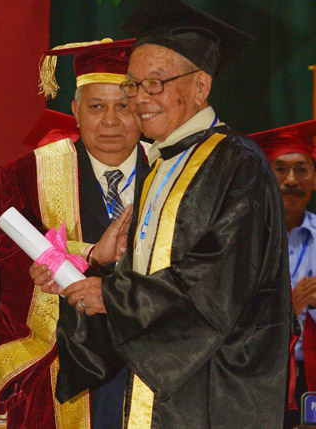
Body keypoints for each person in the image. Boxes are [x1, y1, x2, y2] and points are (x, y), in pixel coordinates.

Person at [32, 0, 291, 426]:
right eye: (133, 85)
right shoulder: (160, 169)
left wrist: (111, 296)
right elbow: (157, 282)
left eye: (155, 84)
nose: (139, 100)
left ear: (201, 87)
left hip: (215, 389)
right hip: (162, 393)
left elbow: (217, 283)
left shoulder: (237, 164)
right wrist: (95, 272)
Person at [0, 38, 148, 428]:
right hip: (59, 373)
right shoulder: (22, 177)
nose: (110, 120)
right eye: (96, 106)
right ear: (74, 110)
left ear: (141, 108)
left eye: (123, 106)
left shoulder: (173, 177)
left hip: (155, 368)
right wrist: (84, 256)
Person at [251, 120, 316, 428]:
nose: (292, 180)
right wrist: (288, 310)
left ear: (314, 179)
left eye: (302, 169)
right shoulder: (243, 237)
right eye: (280, 169)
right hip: (258, 375)